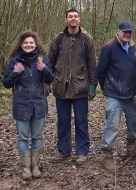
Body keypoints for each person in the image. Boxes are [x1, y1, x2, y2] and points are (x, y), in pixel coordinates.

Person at [48, 9, 97, 164]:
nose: (73, 19)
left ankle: (82, 152)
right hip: (61, 87)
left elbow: (92, 64)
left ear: (79, 19)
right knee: (63, 121)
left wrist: (93, 85)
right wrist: (47, 80)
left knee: (81, 121)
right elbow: (50, 60)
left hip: (80, 87)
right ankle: (63, 151)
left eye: (75, 16)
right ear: (66, 20)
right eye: (70, 16)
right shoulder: (59, 39)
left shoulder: (86, 39)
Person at [3, 31, 54, 179]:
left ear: (36, 44)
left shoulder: (42, 59)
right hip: (21, 104)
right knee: (23, 138)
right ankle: (26, 168)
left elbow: (50, 79)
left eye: (31, 42)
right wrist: (15, 73)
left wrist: (45, 69)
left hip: (39, 103)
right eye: (26, 43)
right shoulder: (15, 61)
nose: (29, 45)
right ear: (21, 44)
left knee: (37, 137)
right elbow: (6, 83)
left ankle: (35, 166)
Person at [96, 20, 136, 171]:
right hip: (114, 94)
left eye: (130, 32)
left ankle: (131, 148)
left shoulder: (132, 46)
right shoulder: (108, 47)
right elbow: (100, 71)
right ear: (119, 31)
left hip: (129, 93)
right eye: (125, 32)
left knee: (133, 121)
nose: (127, 34)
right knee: (113, 125)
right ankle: (106, 156)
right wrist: (107, 88)